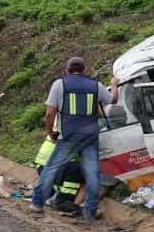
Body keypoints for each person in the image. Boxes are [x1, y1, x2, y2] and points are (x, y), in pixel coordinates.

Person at [29, 56, 118, 222]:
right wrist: (114, 85)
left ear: (67, 70)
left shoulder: (59, 84)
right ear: (85, 70)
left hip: (69, 136)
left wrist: (50, 132)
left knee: (51, 168)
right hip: (90, 136)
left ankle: (37, 203)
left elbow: (49, 113)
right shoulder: (96, 85)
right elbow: (112, 100)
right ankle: (89, 211)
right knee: (92, 173)